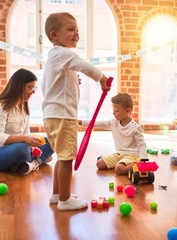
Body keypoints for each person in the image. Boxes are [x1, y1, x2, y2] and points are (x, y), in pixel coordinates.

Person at [42, 12, 111, 211]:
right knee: (66, 158)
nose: (76, 34)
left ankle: (57, 195)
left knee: (61, 156)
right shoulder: (64, 54)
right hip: (63, 116)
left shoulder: (55, 56)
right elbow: (84, 65)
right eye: (71, 29)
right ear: (54, 35)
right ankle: (65, 200)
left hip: (53, 115)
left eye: (77, 30)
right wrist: (102, 78)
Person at [0, 68, 54, 175]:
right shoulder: (1, 105)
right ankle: (37, 160)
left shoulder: (24, 107)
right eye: (30, 88)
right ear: (19, 86)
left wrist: (33, 141)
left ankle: (33, 163)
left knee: (54, 140)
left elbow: (25, 134)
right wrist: (25, 139)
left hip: (17, 149)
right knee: (22, 149)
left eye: (34, 88)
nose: (33, 92)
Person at [78, 93, 147, 175]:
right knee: (99, 164)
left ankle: (138, 165)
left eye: (116, 111)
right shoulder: (113, 122)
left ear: (128, 111)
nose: (114, 113)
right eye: (113, 110)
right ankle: (120, 164)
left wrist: (143, 159)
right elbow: (97, 123)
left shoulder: (135, 128)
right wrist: (80, 122)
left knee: (119, 169)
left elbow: (142, 144)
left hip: (132, 156)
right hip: (119, 154)